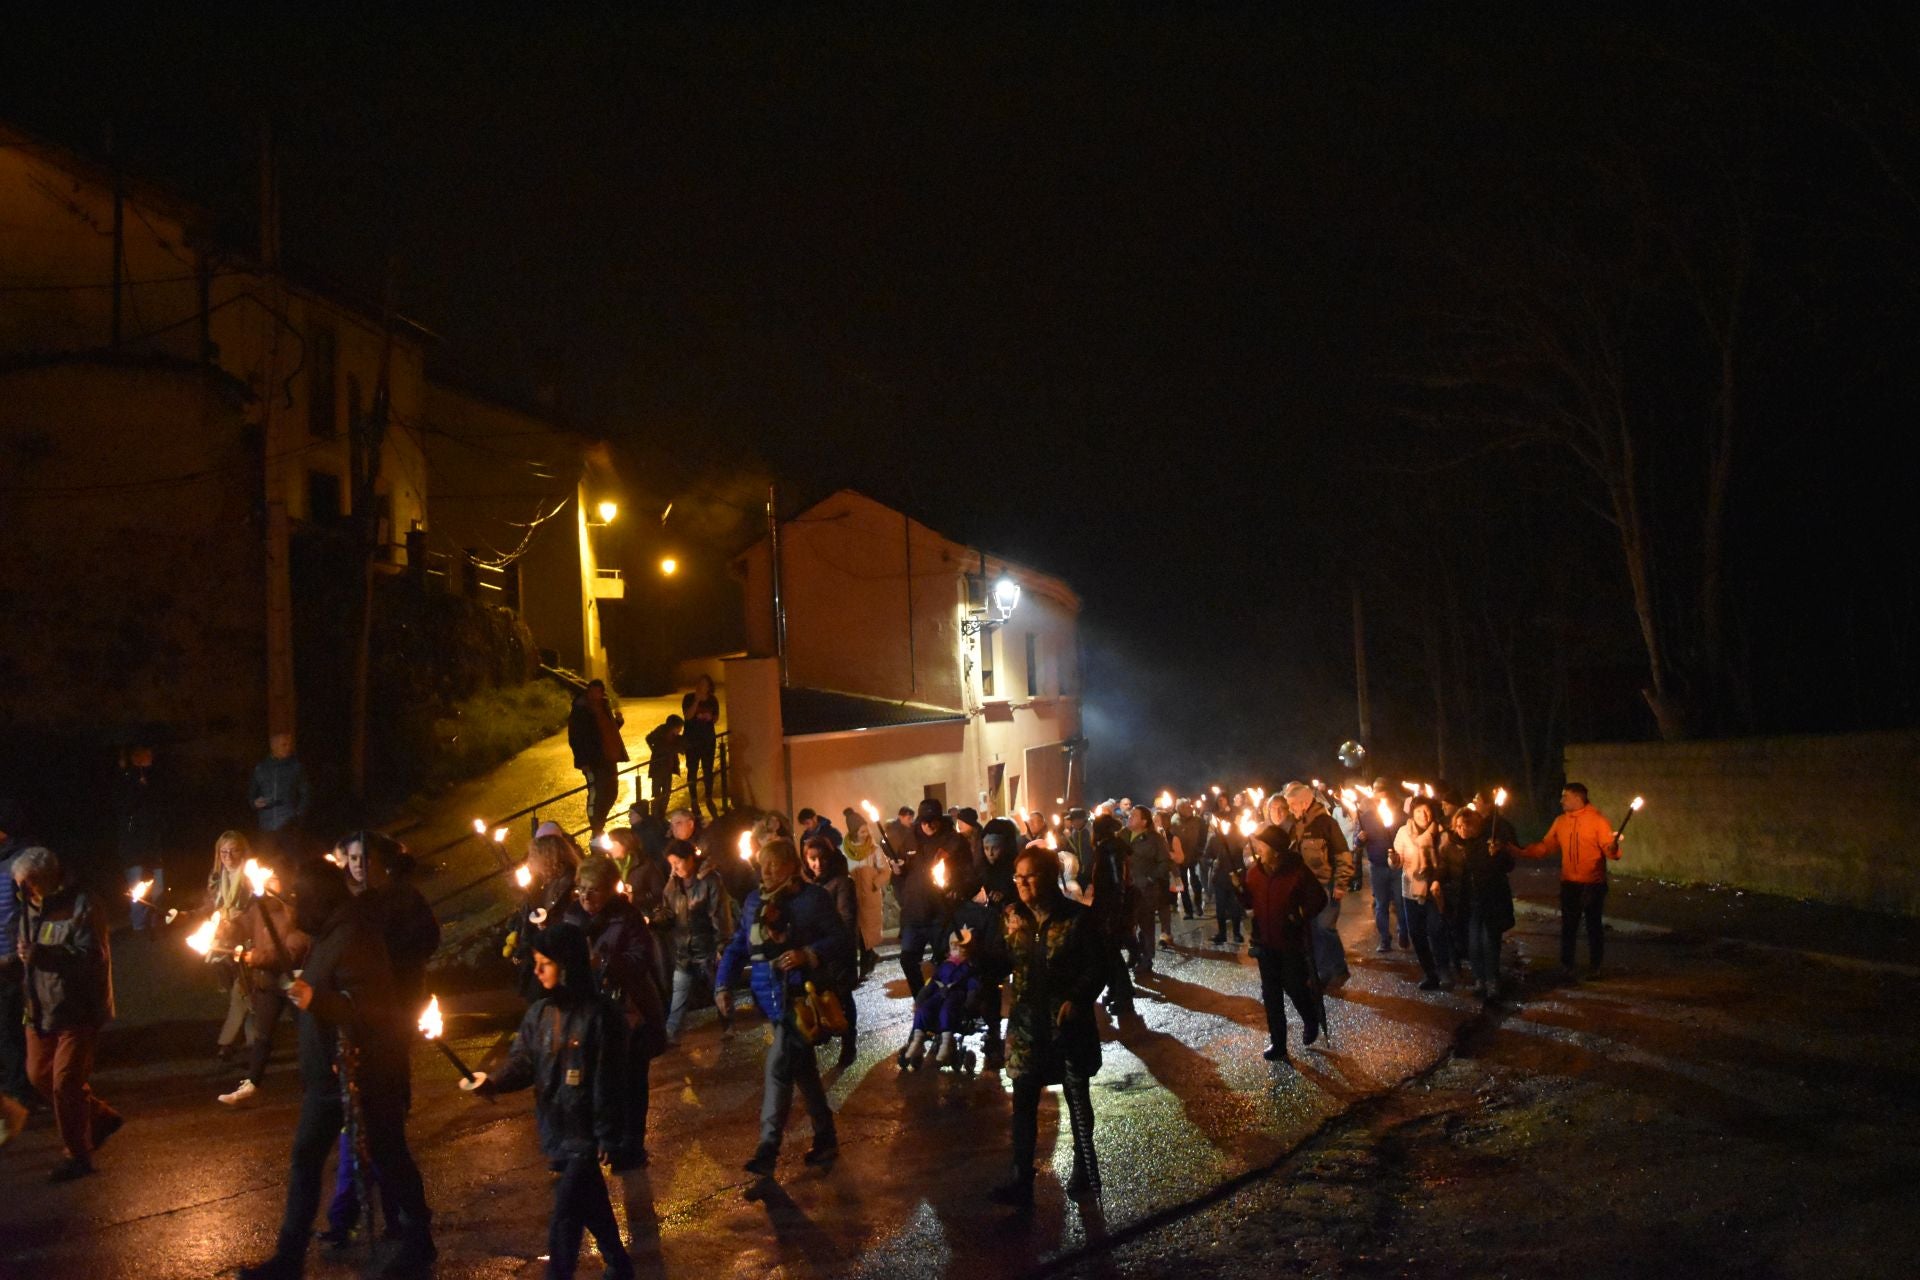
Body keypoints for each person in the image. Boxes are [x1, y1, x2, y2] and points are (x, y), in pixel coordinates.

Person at [238, 857, 434, 1280]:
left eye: (295, 900)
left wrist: (317, 1000)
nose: (289, 909)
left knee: (388, 1153)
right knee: (306, 1158)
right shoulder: (330, 935)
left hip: (362, 1073)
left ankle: (420, 1242)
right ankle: (289, 1257)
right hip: (326, 1078)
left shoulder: (353, 937)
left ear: (317, 899)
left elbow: (369, 1010)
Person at [463, 923, 634, 1280]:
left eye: (546, 963)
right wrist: (491, 1081)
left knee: (565, 1216)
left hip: (585, 1136)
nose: (538, 970)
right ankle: (618, 1262)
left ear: (568, 964)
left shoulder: (601, 1015)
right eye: (536, 962)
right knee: (590, 1202)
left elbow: (610, 1080)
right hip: (557, 1128)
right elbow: (524, 1062)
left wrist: (606, 1133)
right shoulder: (539, 1014)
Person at [715, 838, 852, 1178]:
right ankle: (826, 1137)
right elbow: (739, 946)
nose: (768, 871)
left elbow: (840, 938)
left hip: (799, 998)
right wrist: (723, 984)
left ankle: (767, 1149)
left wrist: (808, 953)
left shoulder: (813, 898)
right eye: (764, 865)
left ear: (792, 865)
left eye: (775, 864)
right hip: (771, 1001)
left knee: (778, 1068)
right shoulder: (753, 902)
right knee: (803, 1071)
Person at [992, 845, 1105, 1208]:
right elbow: (999, 961)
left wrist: (1079, 996)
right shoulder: (1011, 917)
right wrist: (972, 956)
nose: (1022, 884)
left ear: (1047, 877)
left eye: (1030, 876)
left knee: (1076, 1098)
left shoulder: (1076, 918)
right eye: (1018, 877)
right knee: (1023, 1101)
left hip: (1065, 1025)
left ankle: (1084, 1166)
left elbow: (1100, 966)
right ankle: (1021, 1178)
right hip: (1027, 1025)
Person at [11, 846, 121, 1181]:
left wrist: (45, 956)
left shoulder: (82, 904)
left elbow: (92, 956)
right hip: (41, 1010)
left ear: (47, 877)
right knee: (39, 1075)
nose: (23, 890)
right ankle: (98, 1118)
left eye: (29, 882)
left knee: (65, 1083)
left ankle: (78, 1155)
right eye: (20, 884)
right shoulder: (29, 907)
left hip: (77, 1010)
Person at [569, 855, 666, 1170]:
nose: (585, 897)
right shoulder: (573, 919)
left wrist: (606, 964)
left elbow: (641, 960)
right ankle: (605, 1141)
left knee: (632, 1081)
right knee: (600, 1081)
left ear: (610, 890)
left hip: (629, 1014)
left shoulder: (627, 918)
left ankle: (631, 1147)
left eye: (593, 890)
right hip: (593, 1016)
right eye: (581, 889)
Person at [1235, 823, 1327, 1063]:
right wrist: (1239, 889)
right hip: (1264, 943)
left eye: (1262, 844)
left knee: (1296, 988)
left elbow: (1318, 899)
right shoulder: (1254, 872)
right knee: (1271, 995)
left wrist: (1297, 915)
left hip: (1290, 944)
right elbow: (1248, 903)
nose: (1257, 848)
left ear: (1276, 850)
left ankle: (1310, 1018)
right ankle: (1278, 1043)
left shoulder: (1296, 872)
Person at [217, 867, 309, 1107]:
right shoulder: (259, 907)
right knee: (262, 1036)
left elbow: (291, 951)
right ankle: (251, 1083)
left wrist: (255, 958)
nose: (268, 881)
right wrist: (227, 927)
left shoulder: (296, 912)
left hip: (293, 983)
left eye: (274, 878)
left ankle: (317, 1083)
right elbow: (242, 924)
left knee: (307, 1034)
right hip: (268, 982)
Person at [1515, 783, 1622, 979]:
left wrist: (1613, 849)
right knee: (1569, 926)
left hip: (1592, 883)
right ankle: (1567, 964)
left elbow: (1609, 849)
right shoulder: (1561, 822)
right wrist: (1520, 851)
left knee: (1593, 925)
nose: (1561, 800)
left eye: (1565, 796)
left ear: (1577, 798)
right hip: (1570, 883)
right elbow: (1547, 846)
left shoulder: (1597, 821)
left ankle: (1595, 966)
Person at [893, 800, 973, 998]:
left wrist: (959, 890)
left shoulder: (954, 841)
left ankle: (948, 1001)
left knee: (946, 961)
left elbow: (969, 873)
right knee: (908, 958)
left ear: (940, 819)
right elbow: (900, 874)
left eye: (933, 821)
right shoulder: (910, 839)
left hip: (942, 913)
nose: (928, 825)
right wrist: (899, 873)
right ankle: (922, 998)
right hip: (914, 912)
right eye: (924, 821)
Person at [1282, 782, 1355, 993]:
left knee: (1324, 928)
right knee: (1313, 931)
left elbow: (1343, 856)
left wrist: (1340, 884)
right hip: (1305, 890)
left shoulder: (1326, 823)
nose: (1290, 809)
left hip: (1325, 886)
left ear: (1305, 803)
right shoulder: (1296, 825)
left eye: (1293, 804)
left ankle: (1338, 969)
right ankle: (1324, 972)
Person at [660, 838, 730, 1044]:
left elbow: (719, 914)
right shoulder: (673, 884)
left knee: (718, 988)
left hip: (707, 947)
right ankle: (672, 1032)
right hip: (684, 949)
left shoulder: (710, 881)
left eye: (678, 863)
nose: (674, 868)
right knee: (679, 991)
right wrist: (655, 919)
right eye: (671, 864)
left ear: (690, 859)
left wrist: (722, 944)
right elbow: (668, 910)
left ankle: (728, 1024)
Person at [802, 835, 861, 1067]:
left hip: (839, 951)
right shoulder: (808, 885)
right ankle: (824, 1031)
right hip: (817, 954)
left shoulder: (842, 883)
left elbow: (846, 919)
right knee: (818, 997)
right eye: (812, 859)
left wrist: (834, 944)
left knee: (843, 998)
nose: (817, 864)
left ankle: (849, 1043)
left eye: (821, 857)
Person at [1449, 807, 1515, 1001]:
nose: (1461, 830)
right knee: (1473, 943)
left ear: (1474, 825)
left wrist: (1498, 853)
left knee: (1489, 942)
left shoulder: (1489, 841)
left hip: (1490, 900)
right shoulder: (1455, 845)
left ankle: (1493, 980)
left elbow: (1508, 866)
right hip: (1469, 903)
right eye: (1458, 826)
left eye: (1465, 825)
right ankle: (1479, 979)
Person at [510, 829, 582, 1003]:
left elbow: (575, 916)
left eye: (535, 856)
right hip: (544, 946)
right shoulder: (545, 881)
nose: (531, 861)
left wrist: (550, 923)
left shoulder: (571, 882)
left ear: (549, 857)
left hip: (560, 951)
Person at [1390, 796, 1453, 990]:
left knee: (1436, 931)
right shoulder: (1403, 833)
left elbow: (1446, 862)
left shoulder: (1441, 833)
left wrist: (1436, 878)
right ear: (1412, 813)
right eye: (1418, 811)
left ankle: (1444, 970)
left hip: (1434, 890)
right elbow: (1397, 863)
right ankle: (1429, 973)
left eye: (1426, 811)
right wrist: (1393, 859)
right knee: (1416, 934)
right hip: (1410, 890)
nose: (1423, 815)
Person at [207, 831, 260, 1063]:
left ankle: (228, 1041)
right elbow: (209, 906)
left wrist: (238, 920)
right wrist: (183, 915)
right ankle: (253, 1039)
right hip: (223, 941)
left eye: (233, 850)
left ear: (243, 851)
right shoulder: (216, 877)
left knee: (244, 988)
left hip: (247, 939)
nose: (228, 856)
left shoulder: (252, 876)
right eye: (223, 851)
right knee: (241, 992)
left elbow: (259, 909)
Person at [0, 798, 35, 1140]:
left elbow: (26, 913)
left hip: (10, 962)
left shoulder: (16, 865)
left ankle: (19, 1096)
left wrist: (16, 953)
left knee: (12, 1031)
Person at [899, 929, 981, 1070]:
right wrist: (919, 1001)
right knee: (924, 1009)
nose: (957, 949)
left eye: (960, 947)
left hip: (956, 995)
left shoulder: (968, 968)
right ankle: (917, 1039)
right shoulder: (945, 966)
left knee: (947, 1009)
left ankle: (946, 1042)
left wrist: (969, 1003)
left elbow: (972, 986)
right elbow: (932, 984)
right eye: (954, 946)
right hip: (940, 993)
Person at [1085, 814, 1137, 1018]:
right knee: (1108, 952)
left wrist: (1111, 914)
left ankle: (1124, 997)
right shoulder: (1110, 847)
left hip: (1111, 908)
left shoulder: (1110, 850)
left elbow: (1117, 883)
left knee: (1111, 953)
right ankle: (1116, 990)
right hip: (1109, 907)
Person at [114, 743, 167, 932]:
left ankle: (157, 920)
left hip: (152, 842)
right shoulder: (126, 778)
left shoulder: (153, 777)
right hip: (134, 844)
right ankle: (139, 925)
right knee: (137, 884)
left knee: (158, 885)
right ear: (136, 757)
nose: (151, 755)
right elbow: (126, 806)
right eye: (146, 753)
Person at [568, 680, 628, 838]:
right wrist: (582, 761)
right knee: (597, 793)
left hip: (609, 757)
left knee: (612, 792)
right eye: (593, 692)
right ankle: (596, 827)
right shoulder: (581, 710)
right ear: (588, 692)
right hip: (593, 761)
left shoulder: (604, 706)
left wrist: (618, 722)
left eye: (599, 692)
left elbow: (605, 730)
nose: (597, 695)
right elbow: (576, 737)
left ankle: (599, 824)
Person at [1125, 805, 1173, 977]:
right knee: (1128, 924)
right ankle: (1134, 953)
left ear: (1144, 821)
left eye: (1134, 815)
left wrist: (1150, 879)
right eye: (1129, 815)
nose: (1129, 817)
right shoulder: (1124, 835)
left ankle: (1146, 958)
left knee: (1146, 925)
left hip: (1146, 890)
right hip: (1127, 888)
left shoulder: (1154, 839)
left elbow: (1164, 862)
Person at [1358, 787, 1409, 953]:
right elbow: (1358, 841)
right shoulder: (1366, 817)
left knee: (1401, 903)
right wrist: (1360, 839)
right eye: (1378, 800)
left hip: (1398, 867)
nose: (1381, 803)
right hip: (1378, 866)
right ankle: (1384, 939)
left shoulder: (1401, 816)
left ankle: (1404, 931)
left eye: (1384, 799)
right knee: (1381, 905)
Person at [843, 807, 891, 978]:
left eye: (866, 830)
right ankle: (869, 956)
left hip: (869, 897)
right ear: (854, 832)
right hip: (851, 898)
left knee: (866, 935)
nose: (865, 834)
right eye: (861, 831)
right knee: (855, 933)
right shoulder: (844, 850)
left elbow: (886, 871)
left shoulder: (874, 849)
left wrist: (875, 883)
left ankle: (864, 967)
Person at [250, 732, 313, 857]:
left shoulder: (295, 768)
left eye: (289, 744)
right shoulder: (261, 768)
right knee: (265, 861)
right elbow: (252, 792)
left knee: (291, 861)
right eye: (284, 744)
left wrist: (298, 814)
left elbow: (306, 792)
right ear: (273, 746)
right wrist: (255, 802)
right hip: (266, 825)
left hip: (288, 824)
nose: (288, 748)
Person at [680, 674, 722, 821]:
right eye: (699, 683)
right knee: (692, 770)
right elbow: (687, 716)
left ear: (709, 686)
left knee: (707, 770)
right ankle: (693, 800)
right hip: (692, 741)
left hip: (708, 740)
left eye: (704, 683)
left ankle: (708, 797)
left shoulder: (713, 699)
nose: (701, 686)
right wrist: (696, 701)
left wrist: (710, 718)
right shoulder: (689, 698)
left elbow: (716, 718)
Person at [1207, 819, 1246, 946]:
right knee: (1221, 908)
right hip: (1220, 878)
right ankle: (1222, 933)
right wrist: (1212, 862)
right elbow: (1206, 856)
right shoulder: (1214, 839)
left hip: (1235, 877)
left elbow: (1244, 855)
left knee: (1235, 907)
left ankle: (1236, 933)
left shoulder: (1238, 837)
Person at [642, 715, 684, 821]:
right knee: (658, 794)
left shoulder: (672, 736)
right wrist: (655, 750)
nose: (680, 731)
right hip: (659, 768)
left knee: (665, 793)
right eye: (679, 728)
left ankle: (660, 816)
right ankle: (656, 817)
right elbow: (649, 739)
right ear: (673, 727)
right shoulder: (662, 733)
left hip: (667, 768)